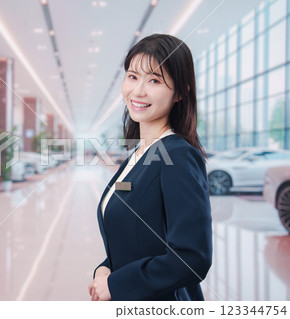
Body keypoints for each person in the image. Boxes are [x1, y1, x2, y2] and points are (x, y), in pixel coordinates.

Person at [88, 34, 212, 301]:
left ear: (180, 92)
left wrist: (116, 284)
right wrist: (105, 269)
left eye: (154, 80)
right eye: (132, 76)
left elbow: (193, 257)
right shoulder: (138, 154)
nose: (138, 90)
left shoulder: (178, 156)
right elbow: (138, 240)